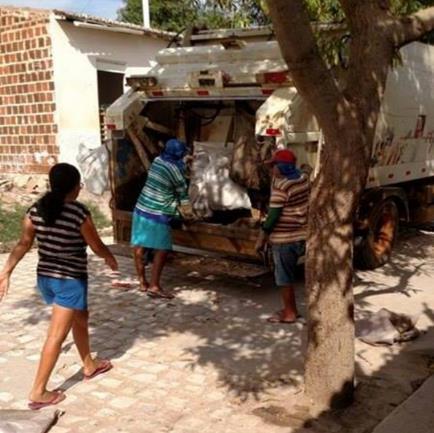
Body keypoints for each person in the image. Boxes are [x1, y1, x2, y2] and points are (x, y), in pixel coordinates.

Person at [0, 163, 118, 410]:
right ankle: (39, 391)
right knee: (56, 335)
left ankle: (89, 365)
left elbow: (23, 243)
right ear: (75, 188)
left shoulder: (35, 210)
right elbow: (96, 245)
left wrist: (7, 271)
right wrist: (109, 257)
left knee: (81, 317)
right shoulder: (78, 213)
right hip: (69, 282)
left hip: (46, 279)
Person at [131, 138, 194, 299]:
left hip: (141, 208)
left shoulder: (157, 161)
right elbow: (183, 196)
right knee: (162, 249)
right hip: (158, 213)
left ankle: (142, 282)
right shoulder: (176, 171)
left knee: (139, 246)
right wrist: (189, 215)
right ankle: (155, 286)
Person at [255, 149, 310, 324]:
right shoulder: (303, 179)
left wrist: (261, 237)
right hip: (301, 234)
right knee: (289, 273)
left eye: (274, 166)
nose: (271, 170)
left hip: (285, 238)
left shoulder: (281, 187)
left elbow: (272, 217)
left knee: (283, 277)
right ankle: (290, 309)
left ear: (282, 167)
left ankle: (289, 313)